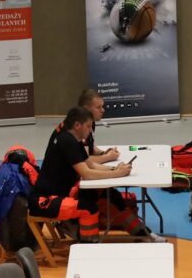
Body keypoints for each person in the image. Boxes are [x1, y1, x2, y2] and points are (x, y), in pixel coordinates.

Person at [28, 106, 148, 242]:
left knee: (109, 195)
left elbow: (91, 165)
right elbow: (86, 174)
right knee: (88, 209)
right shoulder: (66, 141)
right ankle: (88, 246)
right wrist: (118, 173)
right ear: (77, 125)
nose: (91, 130)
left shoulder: (75, 140)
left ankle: (142, 234)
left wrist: (115, 169)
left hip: (64, 194)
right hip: (45, 200)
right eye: (88, 126)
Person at [77, 88, 121, 164]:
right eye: (98, 107)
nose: (103, 110)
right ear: (86, 109)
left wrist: (103, 153)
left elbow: (89, 146)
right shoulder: (79, 126)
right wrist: (108, 157)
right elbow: (83, 160)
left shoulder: (90, 122)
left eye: (102, 106)